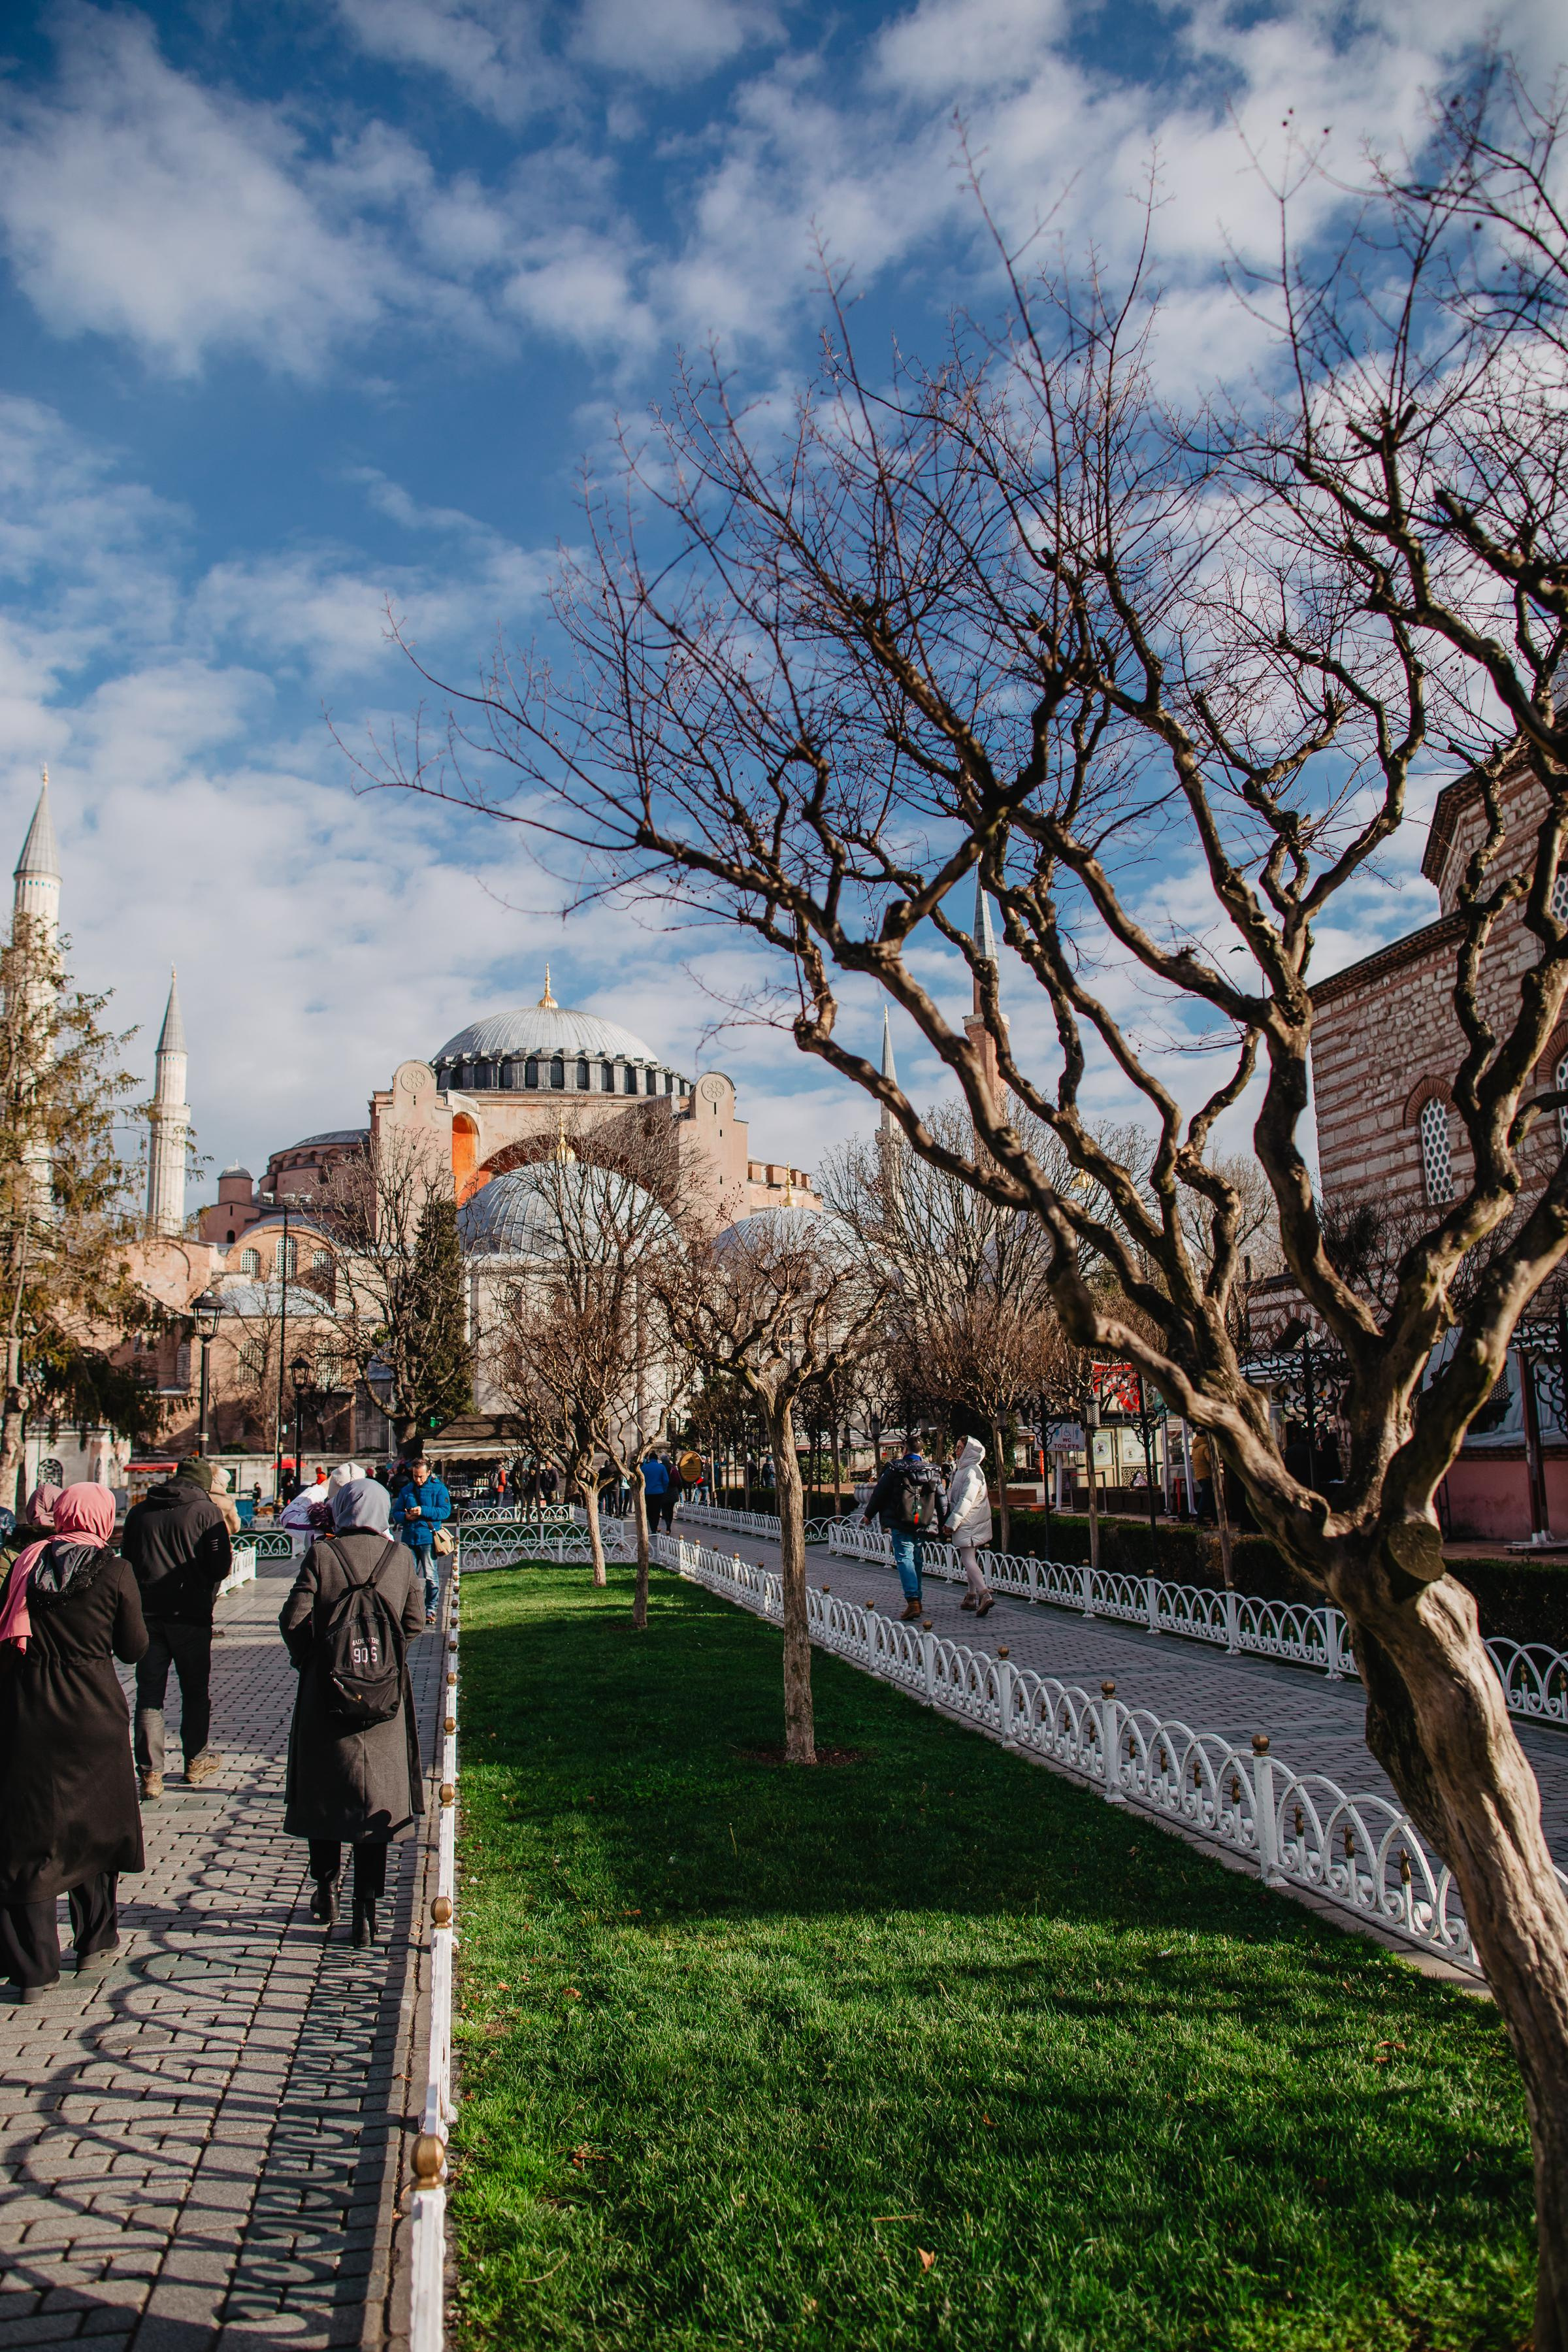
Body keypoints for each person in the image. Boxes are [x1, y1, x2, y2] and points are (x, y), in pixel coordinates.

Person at [0, 1484, 148, 2000]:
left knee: (31, 1836)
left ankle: (33, 1969)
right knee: (97, 1827)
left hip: (31, 1709)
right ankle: (94, 1941)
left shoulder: (25, 1566)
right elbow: (133, 1649)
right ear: (104, 1518)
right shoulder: (115, 1570)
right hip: (95, 1712)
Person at [279, 1478, 427, 1946]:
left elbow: (294, 1620)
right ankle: (366, 1909)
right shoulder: (400, 1558)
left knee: (326, 1793)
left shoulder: (324, 1555)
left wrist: (313, 1661)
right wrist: (385, 1659)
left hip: (327, 1694)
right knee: (374, 1804)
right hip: (383, 1699)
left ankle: (326, 1887)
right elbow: (415, 1621)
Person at [120, 1456, 233, 1802]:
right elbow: (220, 1565)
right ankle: (195, 1759)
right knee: (195, 1691)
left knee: (150, 1694)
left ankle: (151, 1773)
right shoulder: (204, 1510)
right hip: (191, 1614)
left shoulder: (140, 1512)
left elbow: (127, 1561)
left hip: (149, 1615)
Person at [858, 1445, 945, 1621]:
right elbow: (942, 1498)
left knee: (905, 1558)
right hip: (924, 1520)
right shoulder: (933, 1471)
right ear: (922, 1452)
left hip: (901, 1520)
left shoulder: (895, 1469)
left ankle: (913, 1600)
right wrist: (944, 1522)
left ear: (905, 1451)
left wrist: (868, 1515)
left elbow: (879, 1493)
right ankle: (918, 1600)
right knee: (917, 1559)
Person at [389, 1458, 452, 1624]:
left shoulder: (439, 1488)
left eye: (421, 1477)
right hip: (409, 1538)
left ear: (429, 1473)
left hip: (428, 1538)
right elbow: (395, 1513)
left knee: (431, 1576)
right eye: (415, 1476)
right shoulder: (407, 1490)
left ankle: (430, 1609)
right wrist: (406, 1517)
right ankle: (410, 1611)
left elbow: (445, 1512)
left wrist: (423, 1510)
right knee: (409, 1578)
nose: (418, 1480)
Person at [944, 1437, 996, 1616]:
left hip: (968, 1521)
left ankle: (984, 1594)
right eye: (956, 1447)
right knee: (970, 1558)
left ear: (968, 1451)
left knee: (968, 1559)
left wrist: (952, 1523)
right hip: (972, 1521)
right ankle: (971, 1596)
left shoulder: (971, 1472)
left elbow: (966, 1501)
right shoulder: (965, 1470)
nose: (956, 1451)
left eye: (959, 1448)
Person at [641, 1450, 676, 1535]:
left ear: (649, 1459)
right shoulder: (661, 1467)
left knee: (649, 1509)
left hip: (648, 1492)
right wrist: (663, 1489)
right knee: (657, 1510)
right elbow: (666, 1480)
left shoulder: (644, 1468)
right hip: (659, 1492)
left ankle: (652, 1527)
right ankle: (655, 1525)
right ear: (657, 1459)